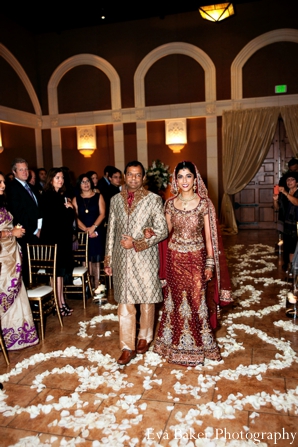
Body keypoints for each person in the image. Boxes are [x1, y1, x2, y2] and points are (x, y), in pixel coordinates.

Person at [153, 161, 222, 367]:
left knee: (196, 300)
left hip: (196, 259)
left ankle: (200, 345)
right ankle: (172, 344)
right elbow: (165, 231)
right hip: (175, 259)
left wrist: (209, 264)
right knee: (174, 301)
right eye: (180, 176)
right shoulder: (169, 204)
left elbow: (210, 239)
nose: (184, 180)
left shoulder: (204, 204)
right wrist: (151, 232)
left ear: (195, 179)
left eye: (188, 176)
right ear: (175, 180)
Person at [104, 161, 168, 365]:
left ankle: (145, 337)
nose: (133, 178)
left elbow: (162, 230)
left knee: (147, 299)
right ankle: (126, 346)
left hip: (145, 257)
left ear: (143, 177)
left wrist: (138, 242)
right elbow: (111, 231)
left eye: (137, 175)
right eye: (130, 175)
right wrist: (109, 259)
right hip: (122, 258)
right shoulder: (115, 200)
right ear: (124, 176)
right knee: (124, 301)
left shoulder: (154, 200)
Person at [0, 172, 39, 350]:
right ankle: (6, 337)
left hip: (11, 254)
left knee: (18, 295)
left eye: (2, 182)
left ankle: (21, 335)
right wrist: (10, 233)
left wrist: (15, 232)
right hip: (2, 258)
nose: (3, 185)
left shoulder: (2, 205)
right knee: (6, 292)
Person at [40, 168, 75, 316]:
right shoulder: (48, 196)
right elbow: (60, 219)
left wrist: (68, 209)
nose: (60, 180)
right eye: (57, 177)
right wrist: (70, 210)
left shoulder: (58, 196)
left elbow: (64, 220)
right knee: (56, 273)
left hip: (60, 240)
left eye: (62, 177)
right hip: (53, 240)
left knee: (59, 273)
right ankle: (57, 304)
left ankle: (61, 302)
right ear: (50, 179)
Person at [6, 158, 42, 286]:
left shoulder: (32, 187)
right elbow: (18, 214)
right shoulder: (12, 188)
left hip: (36, 232)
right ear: (14, 172)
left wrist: (40, 228)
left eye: (26, 169)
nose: (25, 172)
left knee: (37, 267)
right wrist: (34, 230)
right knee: (27, 268)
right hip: (25, 234)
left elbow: (39, 210)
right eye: (21, 170)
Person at [72, 173, 106, 290]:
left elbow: (102, 214)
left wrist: (93, 227)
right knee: (84, 259)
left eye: (87, 181)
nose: (86, 184)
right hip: (83, 233)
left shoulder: (98, 196)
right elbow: (74, 217)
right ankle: (87, 287)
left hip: (96, 232)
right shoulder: (76, 199)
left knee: (95, 260)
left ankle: (97, 287)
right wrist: (85, 229)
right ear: (79, 184)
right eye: (83, 182)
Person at [273, 171, 298, 270]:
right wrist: (275, 200)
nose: (289, 181)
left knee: (294, 247)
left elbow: (296, 202)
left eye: (292, 179)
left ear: (297, 182)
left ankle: (294, 269)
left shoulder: (292, 193)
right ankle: (290, 267)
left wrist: (285, 192)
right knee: (288, 247)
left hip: (296, 224)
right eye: (288, 179)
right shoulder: (284, 194)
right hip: (287, 224)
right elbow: (277, 208)